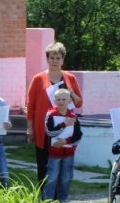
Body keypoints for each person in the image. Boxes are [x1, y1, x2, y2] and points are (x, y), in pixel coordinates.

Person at [26, 42, 83, 184]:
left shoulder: (70, 78)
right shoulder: (38, 78)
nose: (55, 61)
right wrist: (30, 126)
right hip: (44, 128)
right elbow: (30, 104)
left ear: (63, 59)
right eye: (52, 57)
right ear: (47, 59)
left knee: (62, 165)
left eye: (58, 58)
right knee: (44, 164)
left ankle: (59, 199)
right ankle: (44, 199)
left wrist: (71, 93)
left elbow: (79, 102)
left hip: (65, 128)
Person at [42, 88, 82, 203]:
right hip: (54, 154)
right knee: (51, 178)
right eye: (58, 99)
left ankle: (61, 202)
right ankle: (47, 202)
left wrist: (65, 141)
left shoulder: (74, 117)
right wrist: (64, 124)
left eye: (64, 99)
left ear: (69, 100)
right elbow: (50, 132)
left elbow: (78, 136)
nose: (61, 102)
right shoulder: (51, 114)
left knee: (66, 178)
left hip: (69, 154)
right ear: (54, 101)